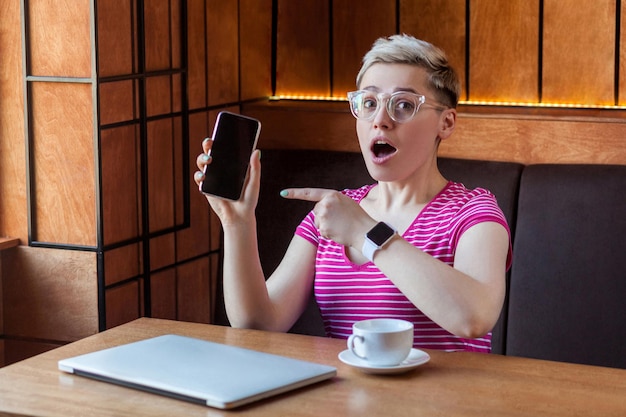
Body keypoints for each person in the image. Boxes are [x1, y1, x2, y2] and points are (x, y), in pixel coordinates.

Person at [194, 34, 511, 353]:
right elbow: (258, 324)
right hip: (342, 401)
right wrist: (237, 223)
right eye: (369, 103)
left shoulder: (474, 213)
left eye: (403, 105)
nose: (381, 121)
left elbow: (474, 318)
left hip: (447, 404)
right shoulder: (333, 213)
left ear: (446, 122)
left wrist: (365, 232)